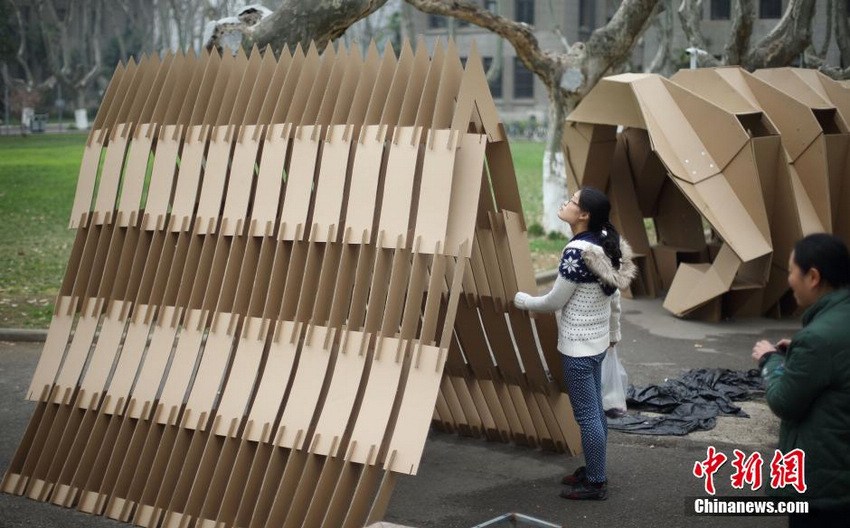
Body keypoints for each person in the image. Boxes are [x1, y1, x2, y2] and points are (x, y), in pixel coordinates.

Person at [513, 187, 636, 500]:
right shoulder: (605, 245)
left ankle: (596, 482)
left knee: (587, 416)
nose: (565, 202)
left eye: (572, 201)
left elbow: (555, 301)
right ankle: (595, 470)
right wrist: (612, 335)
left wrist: (523, 300)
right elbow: (615, 299)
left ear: (583, 216)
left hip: (578, 347)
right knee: (595, 410)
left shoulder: (577, 252)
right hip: (595, 344)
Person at [751, 233, 850, 527]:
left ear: (814, 277)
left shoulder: (817, 338)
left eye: (793, 270)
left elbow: (784, 401)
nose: (789, 278)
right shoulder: (835, 323)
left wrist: (771, 360)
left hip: (824, 486)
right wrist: (798, 352)